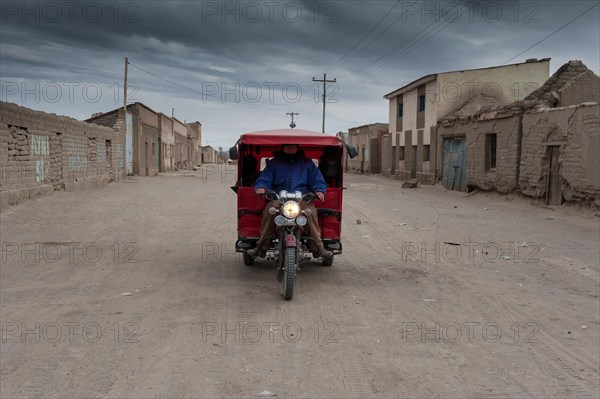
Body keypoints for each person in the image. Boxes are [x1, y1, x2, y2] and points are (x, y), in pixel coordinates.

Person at [247, 143, 333, 259]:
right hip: (279, 199)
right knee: (269, 211)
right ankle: (261, 247)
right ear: (282, 148)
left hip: (302, 200)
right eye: (287, 146)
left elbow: (317, 180)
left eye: (292, 146)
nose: (290, 148)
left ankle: (318, 248)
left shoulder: (307, 164)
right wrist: (261, 187)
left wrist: (319, 190)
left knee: (310, 212)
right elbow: (265, 178)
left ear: (298, 147)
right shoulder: (274, 164)